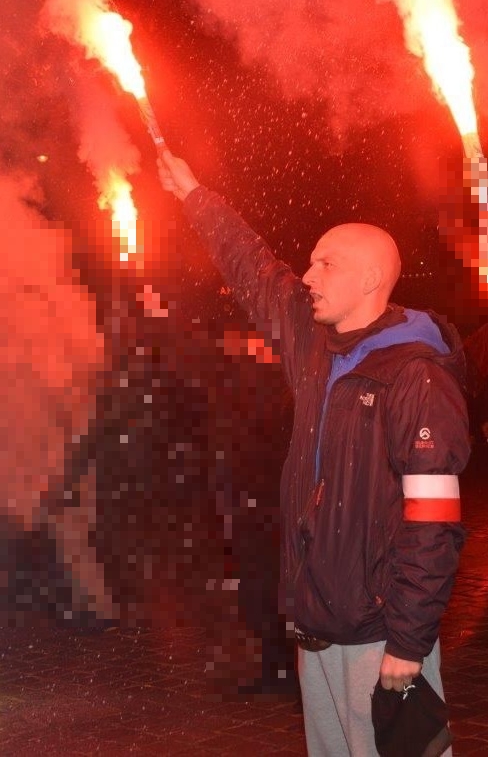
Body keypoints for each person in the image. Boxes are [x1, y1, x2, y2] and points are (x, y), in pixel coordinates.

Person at [158, 148, 470, 756]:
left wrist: (409, 641)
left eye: (327, 264)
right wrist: (196, 195)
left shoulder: (417, 377)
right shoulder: (316, 345)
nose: (308, 275)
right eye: (311, 262)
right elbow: (255, 270)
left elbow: (434, 520)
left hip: (379, 634)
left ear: (370, 280)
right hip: (316, 626)